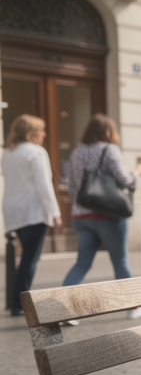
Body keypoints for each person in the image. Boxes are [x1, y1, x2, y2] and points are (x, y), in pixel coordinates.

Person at [62, 114, 141, 319]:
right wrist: (136, 173)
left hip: (80, 215)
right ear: (109, 132)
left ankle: (61, 309)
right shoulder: (110, 150)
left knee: (82, 263)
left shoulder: (77, 152)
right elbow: (125, 180)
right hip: (107, 216)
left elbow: (72, 187)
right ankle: (133, 307)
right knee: (120, 261)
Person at [3, 115, 61, 316]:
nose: (44, 134)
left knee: (26, 257)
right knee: (30, 258)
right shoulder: (36, 152)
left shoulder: (7, 153)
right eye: (41, 130)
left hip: (13, 211)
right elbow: (44, 186)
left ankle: (16, 302)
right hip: (33, 211)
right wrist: (54, 213)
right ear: (31, 132)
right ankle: (19, 303)